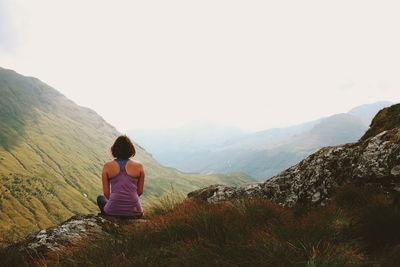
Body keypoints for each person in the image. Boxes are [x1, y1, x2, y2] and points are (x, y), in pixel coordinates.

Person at [97, 135, 145, 218]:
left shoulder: (107, 166)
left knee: (100, 198)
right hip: (135, 211)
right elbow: (140, 191)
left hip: (112, 211)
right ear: (131, 149)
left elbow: (106, 193)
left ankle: (111, 213)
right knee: (136, 203)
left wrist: (117, 202)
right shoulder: (139, 166)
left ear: (114, 149)